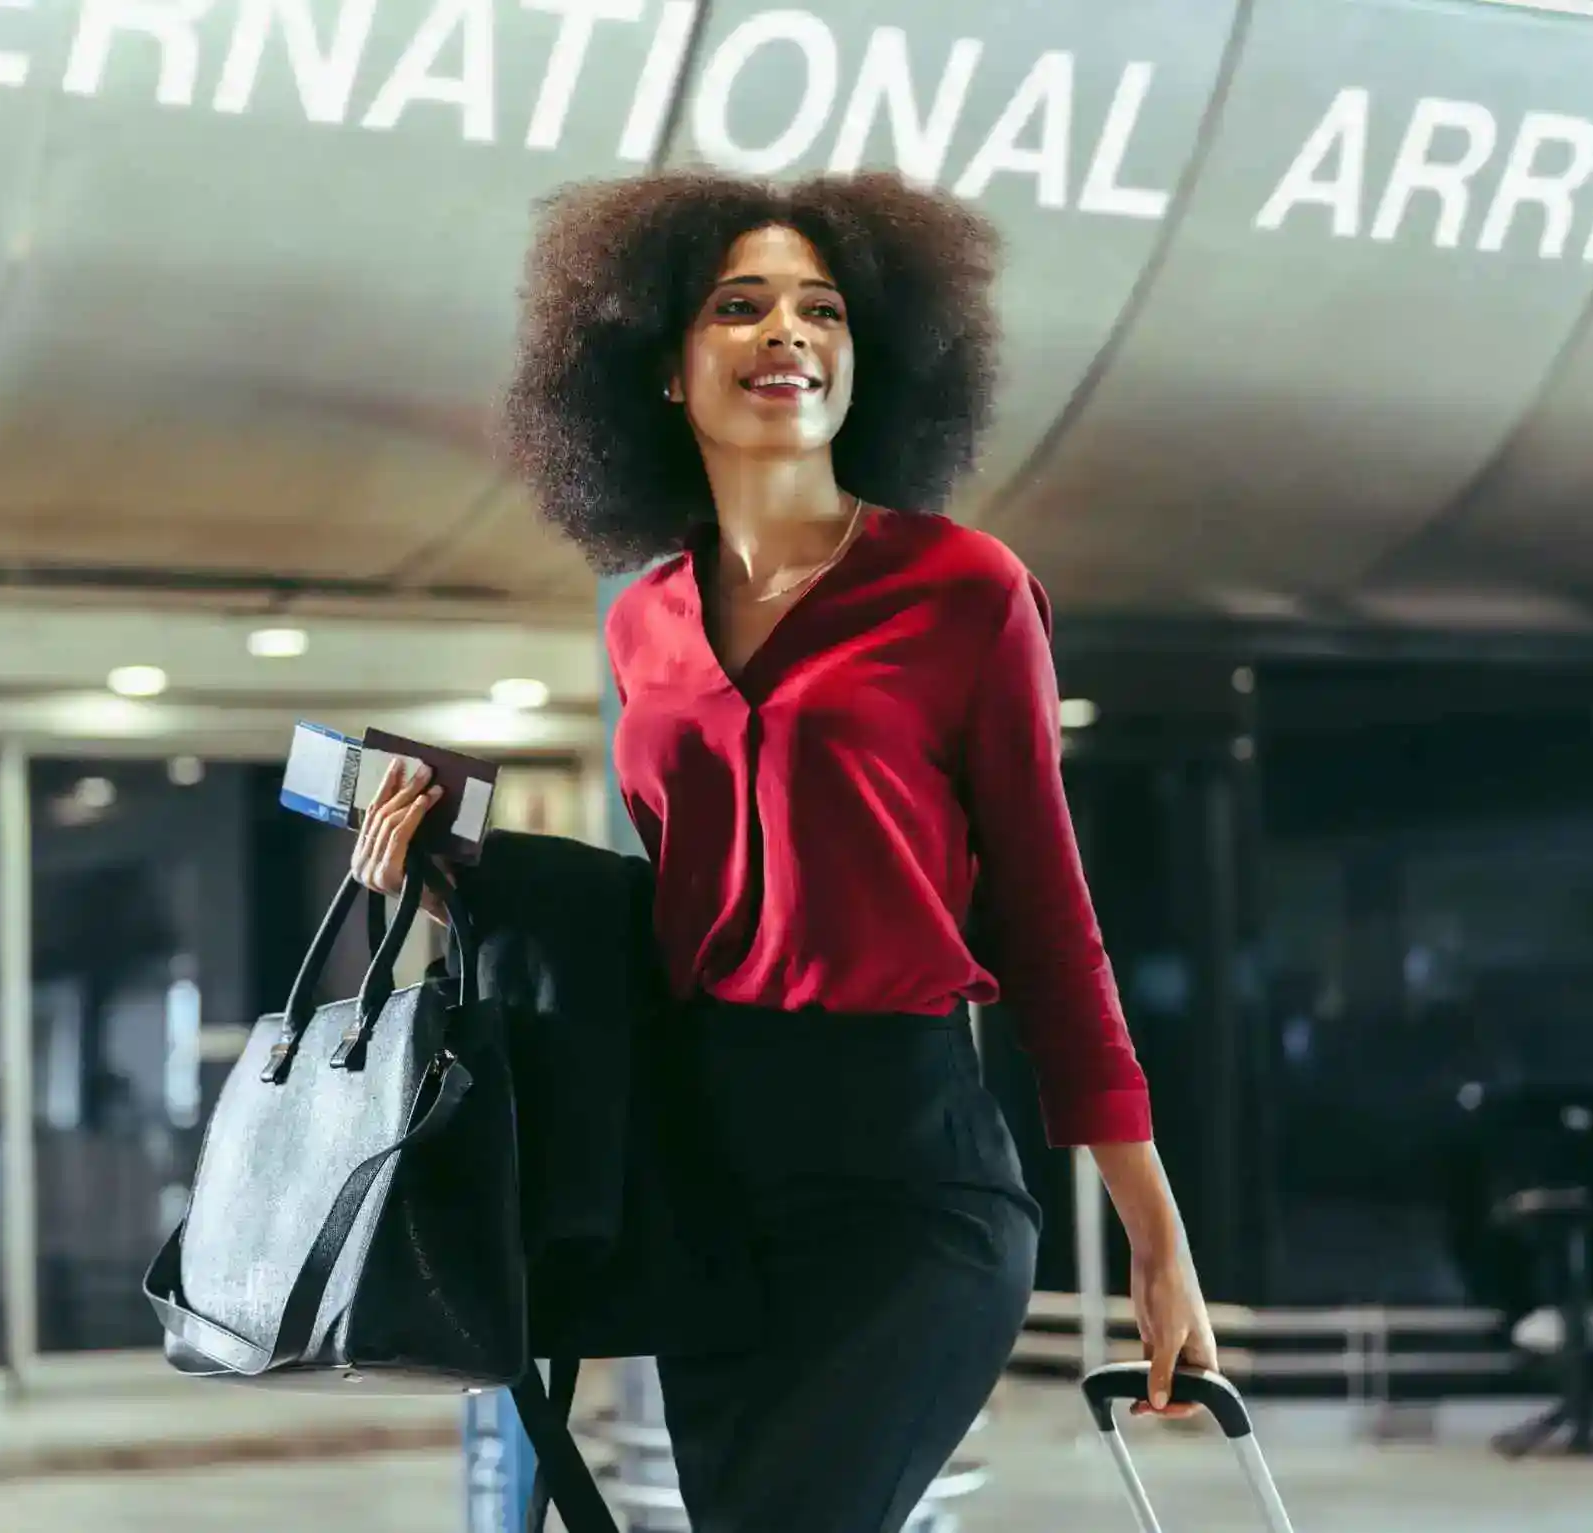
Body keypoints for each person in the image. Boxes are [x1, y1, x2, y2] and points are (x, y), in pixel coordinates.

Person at [353, 168, 1218, 1533]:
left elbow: (1049, 921)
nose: (786, 334)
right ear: (658, 367)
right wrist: (466, 862)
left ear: (868, 357)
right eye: (739, 306)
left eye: (820, 309)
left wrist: (1156, 1240)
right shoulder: (643, 623)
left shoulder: (962, 591)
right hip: (710, 1188)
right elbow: (684, 914)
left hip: (907, 1184)